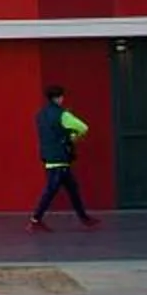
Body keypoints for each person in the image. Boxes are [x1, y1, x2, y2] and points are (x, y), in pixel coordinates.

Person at [27, 84, 96, 230]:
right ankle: (35, 220)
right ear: (58, 98)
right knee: (51, 191)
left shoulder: (40, 115)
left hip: (48, 156)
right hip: (60, 158)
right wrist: (73, 136)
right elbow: (83, 127)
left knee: (72, 189)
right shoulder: (62, 114)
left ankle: (84, 217)